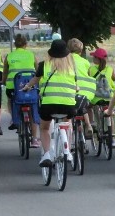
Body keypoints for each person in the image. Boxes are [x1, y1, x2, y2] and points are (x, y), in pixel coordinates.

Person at [19, 39, 79, 167]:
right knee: (68, 123)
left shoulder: (44, 65)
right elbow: (75, 85)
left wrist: (27, 87)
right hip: (68, 106)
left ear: (51, 53)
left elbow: (34, 80)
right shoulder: (71, 67)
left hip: (49, 105)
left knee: (45, 127)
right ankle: (67, 151)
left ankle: (46, 154)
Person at [2, 34, 38, 133]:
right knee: (32, 106)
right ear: (26, 44)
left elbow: (5, 71)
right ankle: (35, 138)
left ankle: (13, 118)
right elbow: (38, 71)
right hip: (30, 86)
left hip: (13, 87)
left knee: (10, 100)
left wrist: (4, 82)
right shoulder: (31, 55)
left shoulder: (9, 56)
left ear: (15, 45)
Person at [68, 38, 96, 129]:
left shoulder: (65, 61)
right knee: (82, 105)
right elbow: (88, 75)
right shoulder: (85, 62)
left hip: (70, 91)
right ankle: (88, 125)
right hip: (86, 92)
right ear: (81, 50)